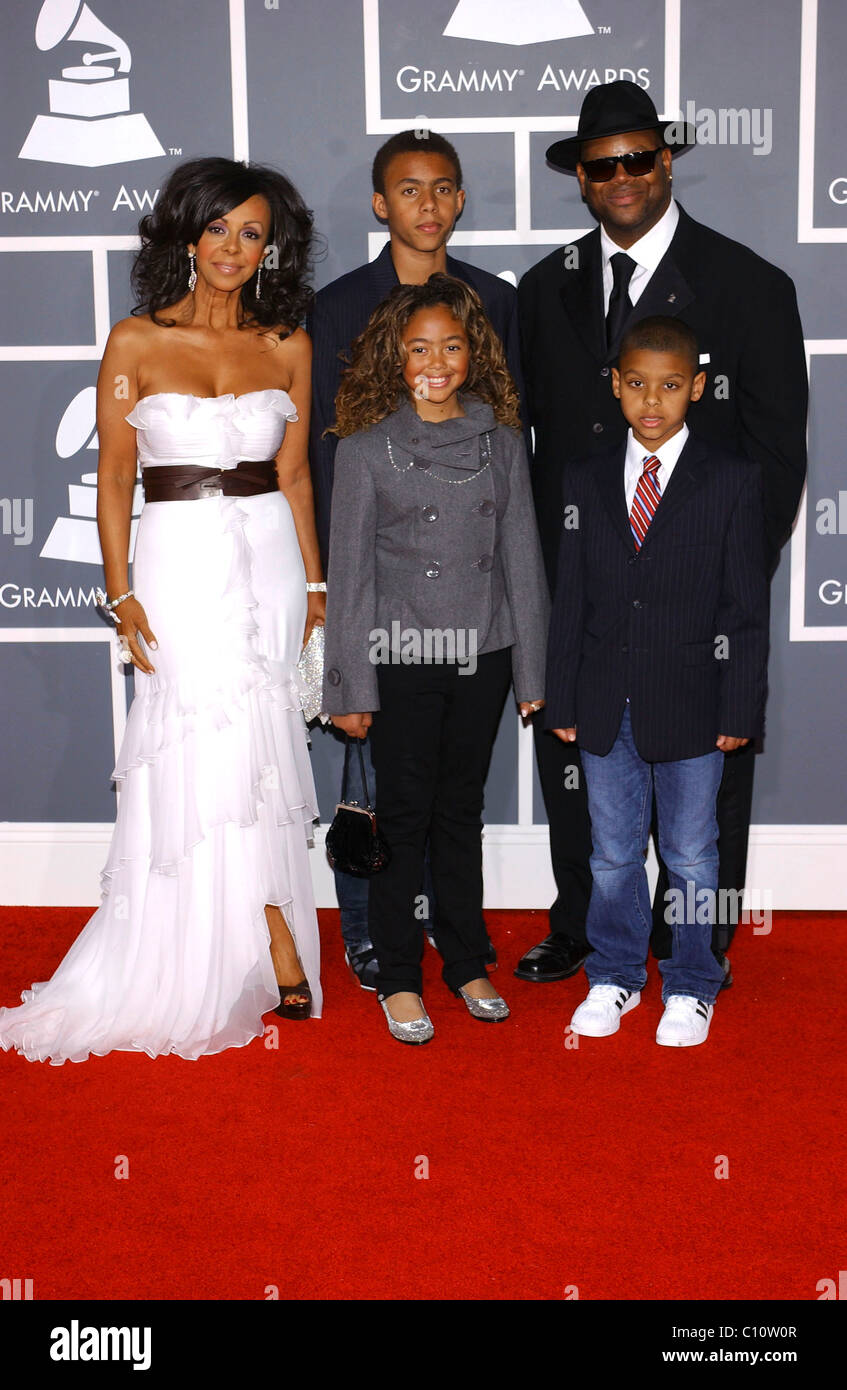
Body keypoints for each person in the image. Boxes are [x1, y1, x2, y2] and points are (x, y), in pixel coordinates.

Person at [0, 157, 324, 1064]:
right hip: (175, 561)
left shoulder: (286, 344)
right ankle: (214, 943)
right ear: (188, 234)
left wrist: (315, 587)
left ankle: (273, 932)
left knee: (263, 743)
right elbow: (111, 477)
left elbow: (294, 475)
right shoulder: (134, 342)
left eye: (251, 232)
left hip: (266, 556)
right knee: (194, 739)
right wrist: (120, 588)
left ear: (271, 247)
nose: (231, 247)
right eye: (217, 227)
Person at [516, 80, 806, 988]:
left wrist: (722, 579)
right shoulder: (541, 289)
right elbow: (529, 445)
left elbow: (775, 454)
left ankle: (697, 946)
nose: (621, 178)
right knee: (582, 772)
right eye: (601, 166)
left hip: (697, 600)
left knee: (701, 793)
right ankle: (583, 929)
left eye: (638, 158)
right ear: (581, 180)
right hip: (582, 586)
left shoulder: (749, 284)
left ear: (665, 160)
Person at [309, 129, 522, 990]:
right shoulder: (338, 305)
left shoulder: (496, 301)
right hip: (382, 585)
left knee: (448, 796)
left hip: (471, 607)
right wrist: (334, 582)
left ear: (460, 200)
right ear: (379, 203)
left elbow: (510, 431)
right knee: (376, 784)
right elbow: (329, 447)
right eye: (407, 189)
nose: (426, 205)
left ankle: (451, 942)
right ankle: (373, 936)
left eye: (442, 188)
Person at [321, 274, 548, 1044]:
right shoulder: (364, 447)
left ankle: (464, 958)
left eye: (451, 345)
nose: (436, 360)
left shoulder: (500, 440)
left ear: (472, 351)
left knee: (461, 814)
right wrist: (348, 682)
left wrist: (532, 673)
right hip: (403, 656)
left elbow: (522, 562)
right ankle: (395, 974)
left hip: (480, 654)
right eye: (419, 347)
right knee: (405, 816)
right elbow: (348, 576)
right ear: (394, 354)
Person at [546, 316, 770, 1046]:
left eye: (670, 386)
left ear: (696, 388)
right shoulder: (581, 477)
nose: (652, 400)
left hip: (695, 705)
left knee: (692, 854)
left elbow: (744, 609)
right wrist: (563, 694)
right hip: (604, 704)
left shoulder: (732, 481)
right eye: (636, 384)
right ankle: (613, 975)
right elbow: (569, 600)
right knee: (610, 853)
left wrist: (740, 704)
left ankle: (692, 980)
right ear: (614, 386)